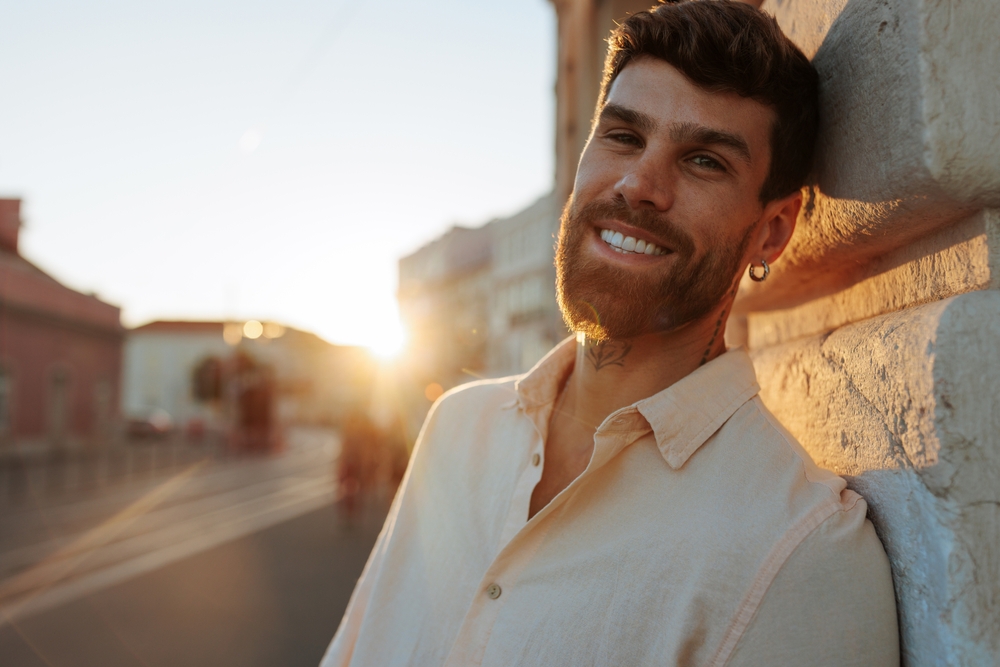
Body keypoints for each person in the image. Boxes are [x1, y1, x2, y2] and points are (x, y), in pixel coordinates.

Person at [321, 2, 899, 665]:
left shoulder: (801, 552)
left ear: (771, 229)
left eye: (704, 160)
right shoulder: (457, 427)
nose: (638, 184)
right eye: (623, 136)